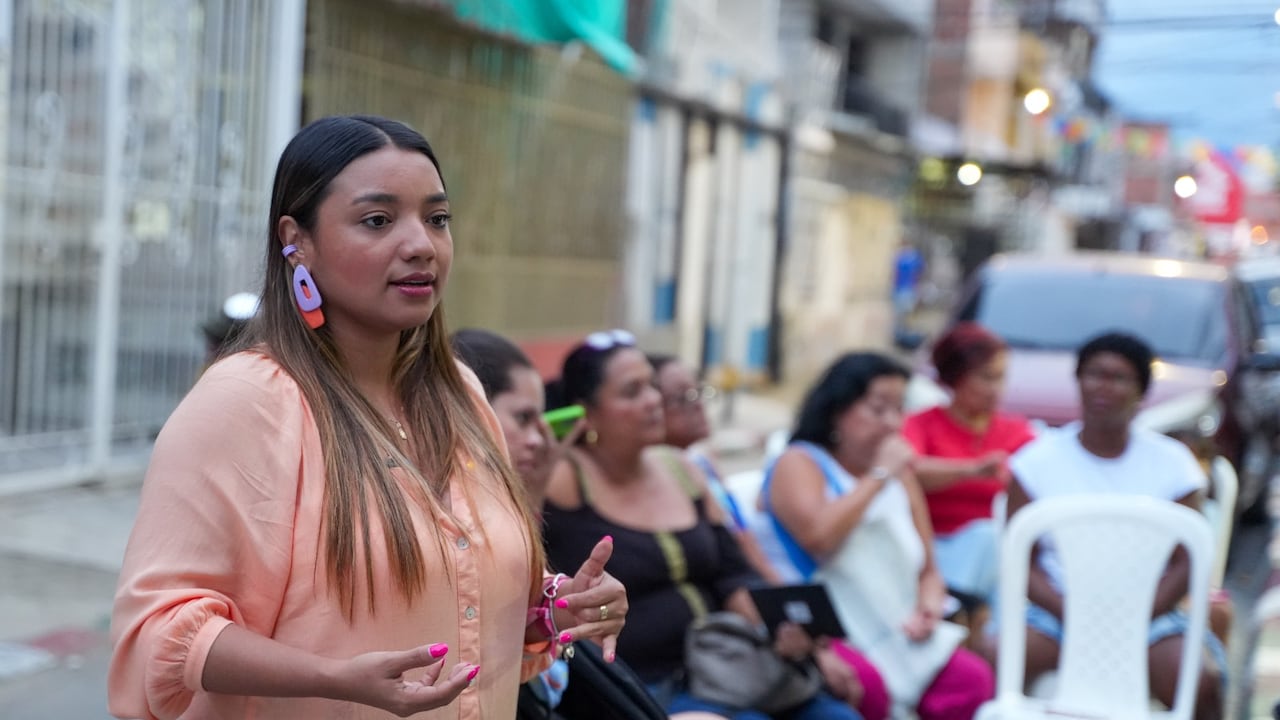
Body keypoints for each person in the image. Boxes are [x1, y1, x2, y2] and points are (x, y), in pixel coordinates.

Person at [108, 115, 627, 720]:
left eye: (437, 219)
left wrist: (553, 612)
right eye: (378, 220)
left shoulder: (459, 393)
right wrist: (333, 678)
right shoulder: (248, 401)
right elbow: (158, 633)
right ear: (296, 241)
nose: (421, 245)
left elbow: (461, 607)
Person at [543, 330, 861, 720]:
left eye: (652, 386)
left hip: (727, 667)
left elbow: (734, 573)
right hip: (643, 686)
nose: (653, 400)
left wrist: (780, 629)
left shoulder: (682, 469)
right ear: (586, 412)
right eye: (631, 392)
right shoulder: (563, 481)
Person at [998, 332, 1225, 719]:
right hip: (1056, 615)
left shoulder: (1174, 465)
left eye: (1118, 377)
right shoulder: (1034, 463)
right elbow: (1019, 557)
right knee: (991, 659)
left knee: (1200, 682)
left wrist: (1137, 613)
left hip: (1151, 617)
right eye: (1093, 374)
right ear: (1078, 381)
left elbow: (1187, 560)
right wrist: (1072, 611)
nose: (1103, 387)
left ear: (1141, 391)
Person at [648, 353, 887, 720]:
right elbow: (777, 550)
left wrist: (799, 634)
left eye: (699, 391)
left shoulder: (702, 465)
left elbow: (743, 560)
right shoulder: (796, 461)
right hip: (711, 654)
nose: (698, 406)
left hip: (753, 627)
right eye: (682, 397)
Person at [760, 352, 994, 720]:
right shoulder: (801, 462)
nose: (892, 423)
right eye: (878, 409)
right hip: (831, 628)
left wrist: (928, 606)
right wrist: (879, 475)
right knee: (868, 686)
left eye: (899, 409)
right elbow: (818, 537)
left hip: (897, 620)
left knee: (971, 679)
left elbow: (929, 570)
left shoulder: (902, 476)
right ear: (837, 409)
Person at [901, 323, 1035, 624]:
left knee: (990, 541)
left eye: (1001, 377)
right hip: (929, 548)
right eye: (987, 377)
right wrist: (971, 470)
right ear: (957, 377)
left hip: (993, 557)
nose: (996, 388)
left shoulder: (1016, 431)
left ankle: (952, 618)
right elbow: (906, 469)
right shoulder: (922, 424)